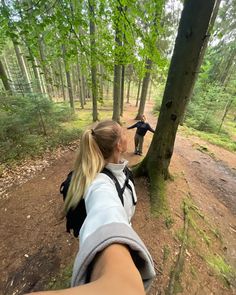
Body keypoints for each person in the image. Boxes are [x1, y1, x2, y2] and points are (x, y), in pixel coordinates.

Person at [25, 120, 155, 295]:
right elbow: (105, 209)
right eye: (124, 132)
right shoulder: (100, 184)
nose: (127, 134)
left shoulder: (121, 170)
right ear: (119, 145)